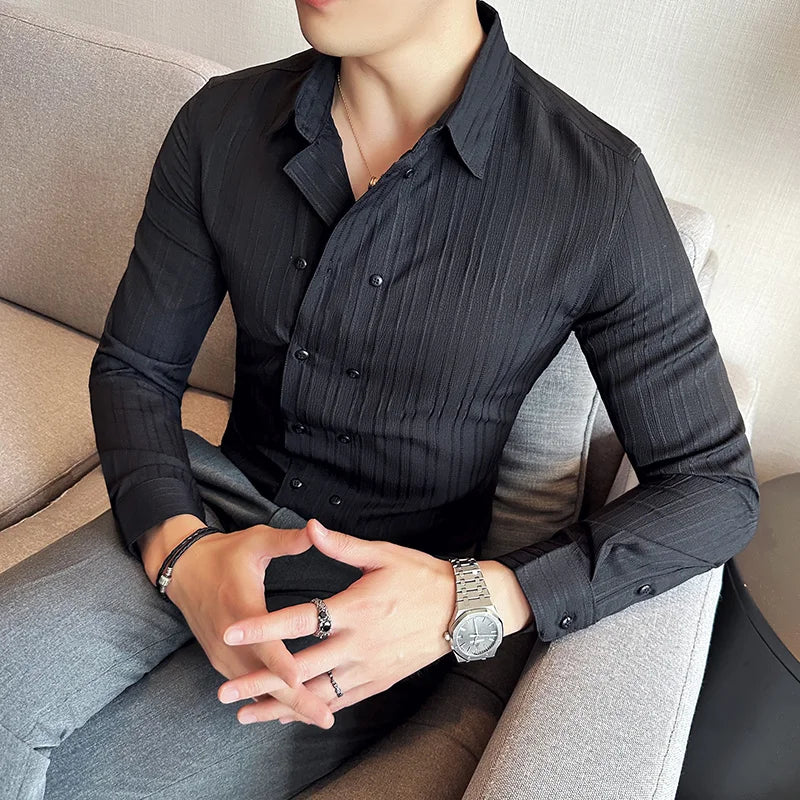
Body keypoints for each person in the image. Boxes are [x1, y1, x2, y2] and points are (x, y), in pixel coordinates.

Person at [0, 0, 759, 797]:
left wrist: (476, 596)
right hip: (210, 504)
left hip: (381, 591)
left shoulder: (595, 188)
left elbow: (714, 487)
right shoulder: (222, 122)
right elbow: (135, 369)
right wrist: (179, 548)